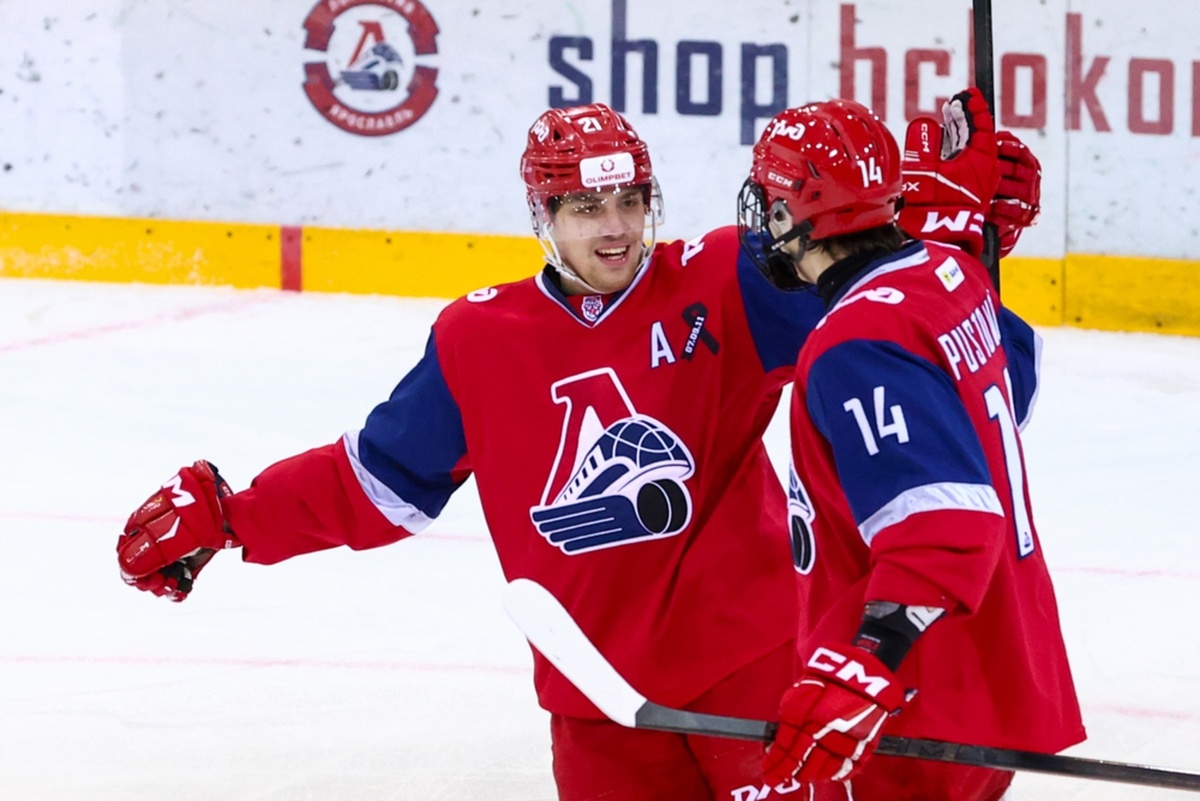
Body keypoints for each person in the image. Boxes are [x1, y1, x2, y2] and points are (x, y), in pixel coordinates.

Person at [116, 97, 1041, 801]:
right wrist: (236, 518)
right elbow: (378, 480)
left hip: (754, 670)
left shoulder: (727, 279)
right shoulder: (481, 339)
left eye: (630, 200)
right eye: (587, 205)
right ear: (543, 213)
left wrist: (959, 246)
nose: (615, 227)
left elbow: (916, 343)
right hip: (593, 694)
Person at [738, 89, 1085, 801]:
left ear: (792, 214)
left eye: (771, 201)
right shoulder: (947, 273)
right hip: (987, 680)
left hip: (911, 708)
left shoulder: (857, 345)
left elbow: (943, 530)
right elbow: (1009, 384)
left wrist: (862, 668)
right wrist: (969, 233)